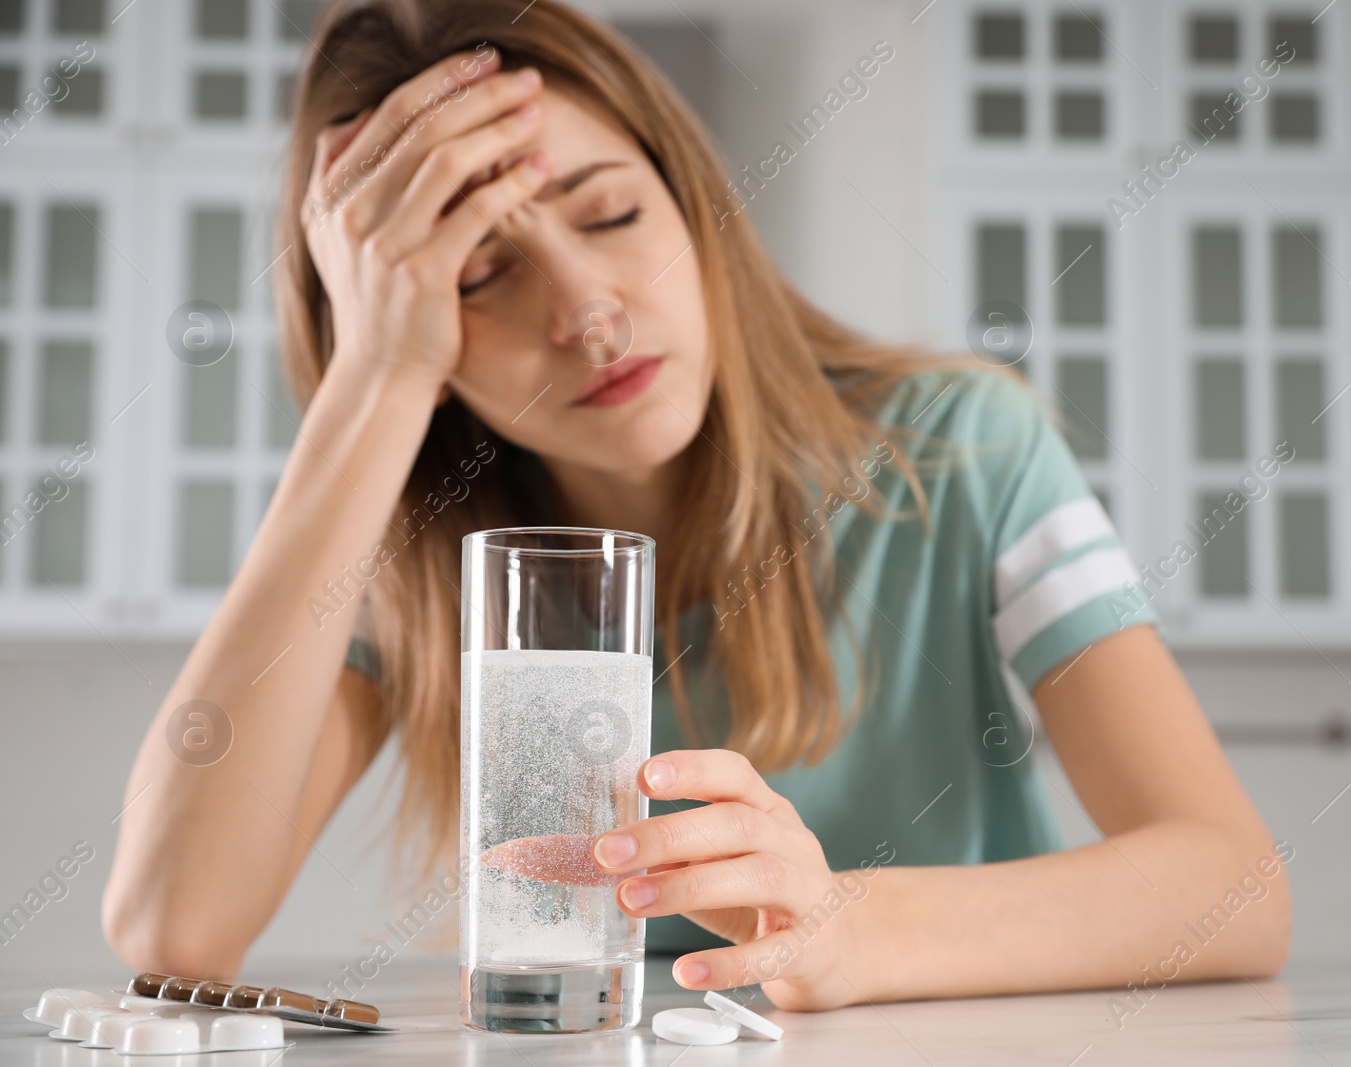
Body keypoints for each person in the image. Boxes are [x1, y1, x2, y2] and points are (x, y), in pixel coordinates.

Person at [103, 0, 1290, 1012]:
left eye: (611, 212)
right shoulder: (416, 556)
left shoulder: (962, 447)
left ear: (693, 204)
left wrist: (841, 925)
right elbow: (174, 929)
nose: (590, 314)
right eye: (477, 276)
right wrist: (371, 379)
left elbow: (1234, 885)